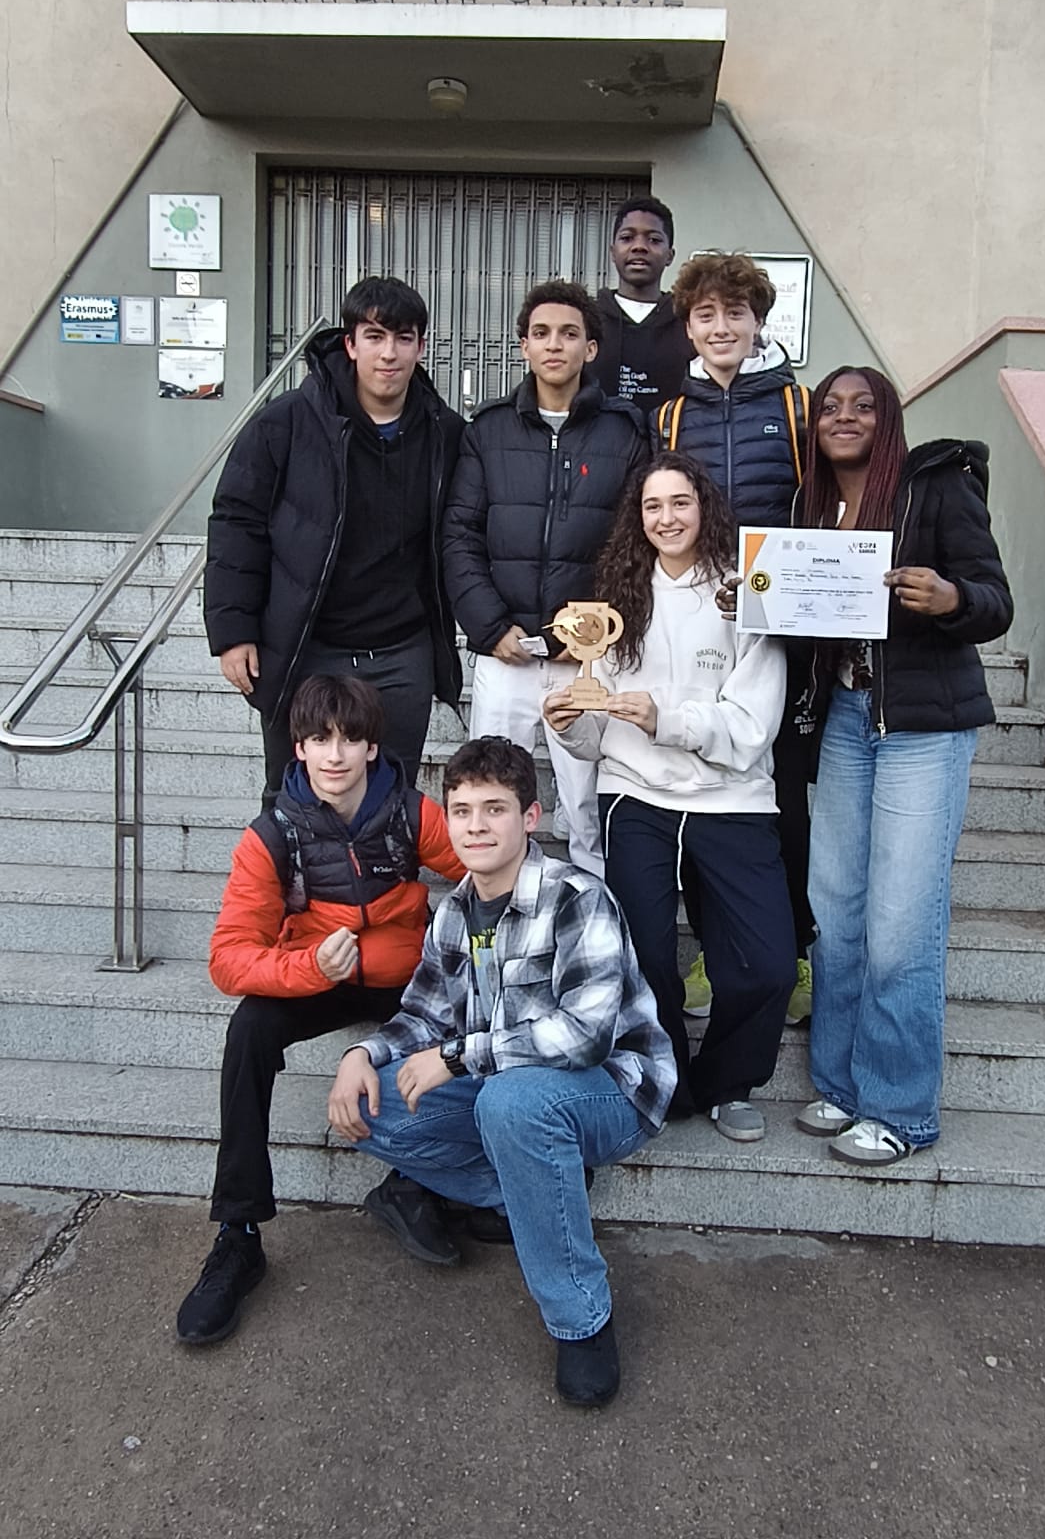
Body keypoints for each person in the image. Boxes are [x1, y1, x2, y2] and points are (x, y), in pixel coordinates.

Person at [327, 736, 675, 1407]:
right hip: (507, 1093)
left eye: (495, 809)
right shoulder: (454, 912)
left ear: (530, 817)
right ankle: (535, 1183)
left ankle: (581, 1319)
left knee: (512, 1104)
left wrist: (459, 1057)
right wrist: (360, 1056)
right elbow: (424, 1016)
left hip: (612, 1092)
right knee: (369, 1103)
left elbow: (584, 1037)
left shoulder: (577, 899)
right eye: (462, 811)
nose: (477, 826)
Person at [175, 675, 465, 1346]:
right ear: (298, 748)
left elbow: (486, 864)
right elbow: (228, 959)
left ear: (372, 747)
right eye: (318, 739)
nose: (334, 754)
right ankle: (238, 1233)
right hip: (316, 974)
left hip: (401, 976)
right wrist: (308, 967)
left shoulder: (411, 812)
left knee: (469, 1005)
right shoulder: (271, 836)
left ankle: (415, 1181)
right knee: (249, 1030)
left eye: (350, 739)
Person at [794, 366, 1012, 1166]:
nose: (844, 417)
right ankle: (840, 1084)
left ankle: (900, 1107)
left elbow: (995, 599)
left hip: (922, 727)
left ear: (888, 419)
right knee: (836, 912)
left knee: (900, 924)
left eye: (863, 406)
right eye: (830, 406)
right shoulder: (809, 503)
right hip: (846, 720)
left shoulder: (937, 487)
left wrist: (952, 599)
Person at [545, 451, 795, 1144]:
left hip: (734, 799)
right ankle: (668, 1082)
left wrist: (669, 720)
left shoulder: (742, 593)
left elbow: (753, 727)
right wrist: (567, 723)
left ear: (704, 507)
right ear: (638, 517)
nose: (667, 518)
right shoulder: (616, 599)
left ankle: (728, 1083)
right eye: (652, 506)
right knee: (645, 957)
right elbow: (598, 733)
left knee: (768, 964)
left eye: (680, 502)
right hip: (636, 796)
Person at [204, 275, 464, 801]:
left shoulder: (446, 433)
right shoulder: (286, 423)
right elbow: (237, 521)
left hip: (401, 650)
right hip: (307, 646)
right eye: (374, 336)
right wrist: (233, 630)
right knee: (293, 799)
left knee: (390, 800)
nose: (389, 353)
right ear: (350, 343)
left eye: (404, 338)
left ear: (420, 347)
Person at [650, 250, 815, 1021]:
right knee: (703, 784)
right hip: (699, 619)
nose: (721, 327)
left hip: (780, 625)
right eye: (706, 315)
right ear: (688, 327)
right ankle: (716, 953)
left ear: (758, 323)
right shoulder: (669, 416)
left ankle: (795, 948)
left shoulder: (799, 406)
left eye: (735, 313)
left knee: (782, 794)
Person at [442, 279, 647, 875]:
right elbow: (459, 535)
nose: (554, 344)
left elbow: (634, 544)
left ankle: (594, 912)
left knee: (584, 803)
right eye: (541, 333)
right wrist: (489, 627)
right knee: (490, 793)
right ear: (523, 346)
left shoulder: (625, 432)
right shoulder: (488, 430)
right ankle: (491, 904)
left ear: (590, 348)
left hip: (583, 660)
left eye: (569, 333)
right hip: (506, 652)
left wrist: (594, 631)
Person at [592, 194, 693, 415]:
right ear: (612, 252)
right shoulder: (587, 321)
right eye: (627, 238)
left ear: (670, 255)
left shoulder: (689, 323)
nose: (639, 247)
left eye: (654, 240)